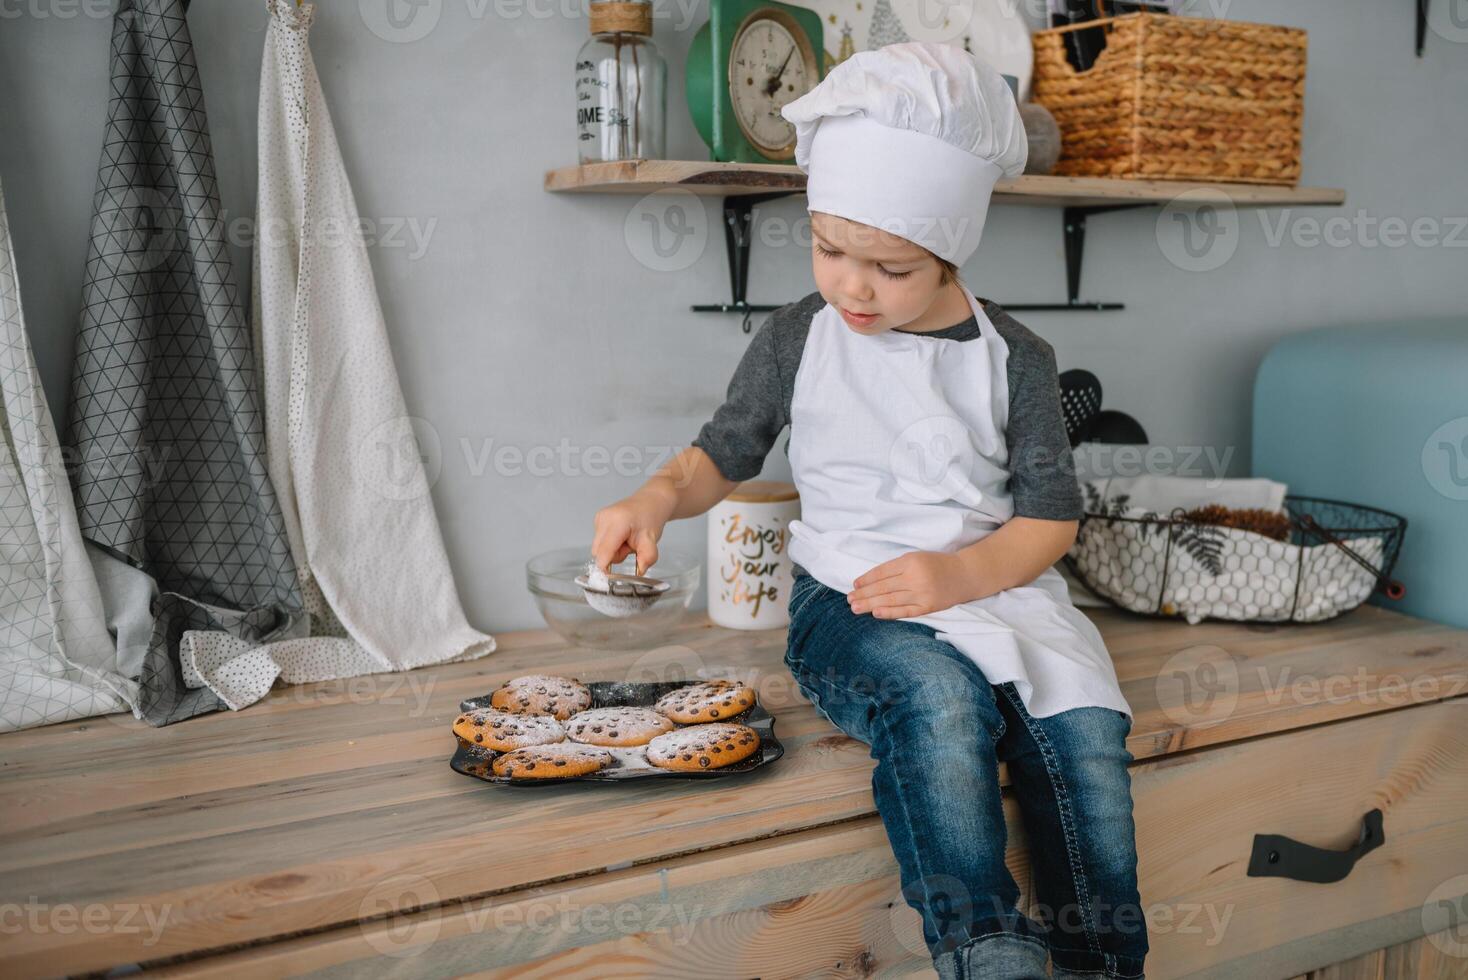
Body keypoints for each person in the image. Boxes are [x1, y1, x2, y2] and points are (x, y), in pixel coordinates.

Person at [592, 42, 1148, 980]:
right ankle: (984, 949)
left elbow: (1051, 522)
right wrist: (655, 498)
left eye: (887, 267)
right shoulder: (800, 335)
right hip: (850, 602)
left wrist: (960, 575)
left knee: (1087, 734)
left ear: (950, 249)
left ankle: (1100, 957)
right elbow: (721, 454)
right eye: (828, 248)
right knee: (937, 700)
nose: (851, 284)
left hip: (1001, 593)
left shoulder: (1019, 359)